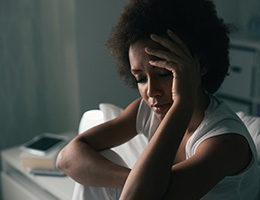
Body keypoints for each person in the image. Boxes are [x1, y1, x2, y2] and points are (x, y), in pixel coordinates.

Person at [56, 0, 260, 199]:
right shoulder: (145, 111)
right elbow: (66, 158)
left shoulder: (225, 143)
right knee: (100, 162)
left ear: (201, 65)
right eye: (141, 78)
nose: (151, 91)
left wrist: (183, 103)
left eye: (164, 73)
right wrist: (135, 180)